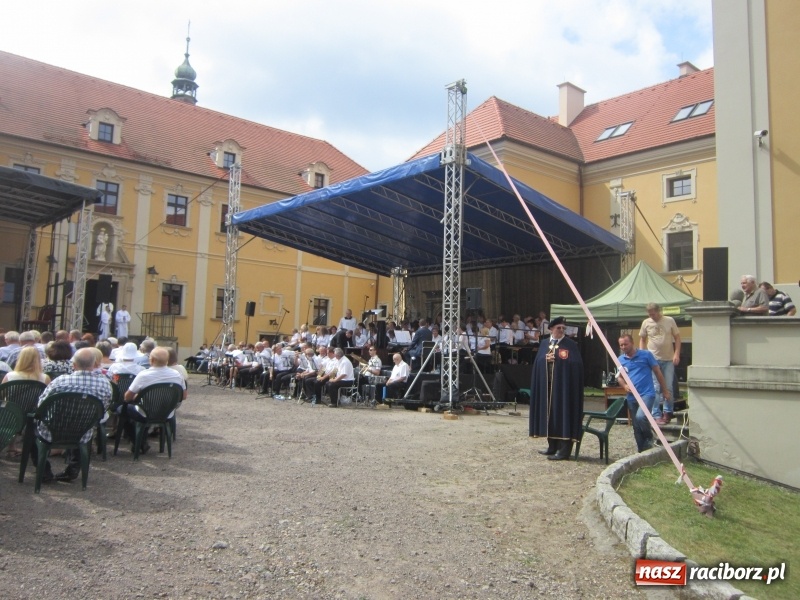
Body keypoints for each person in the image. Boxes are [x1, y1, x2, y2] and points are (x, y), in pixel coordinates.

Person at [34, 347, 113, 482]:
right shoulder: (104, 384)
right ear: (94, 364)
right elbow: (103, 409)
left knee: (32, 431)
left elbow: (41, 405)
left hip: (53, 430)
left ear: (74, 365)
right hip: (83, 431)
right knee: (82, 423)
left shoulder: (60, 381)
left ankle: (44, 472)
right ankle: (73, 467)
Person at [529, 316, 584, 461]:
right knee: (549, 415)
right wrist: (545, 360)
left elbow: (576, 364)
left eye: (563, 328)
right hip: (547, 387)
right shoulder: (544, 343)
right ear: (551, 329)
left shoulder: (570, 345)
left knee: (563, 415)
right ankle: (552, 446)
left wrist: (558, 361)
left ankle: (564, 450)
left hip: (563, 388)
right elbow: (537, 363)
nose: (561, 330)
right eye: (558, 328)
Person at [123, 347, 187, 454]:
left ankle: (138, 441)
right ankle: (142, 440)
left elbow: (127, 397)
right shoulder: (177, 375)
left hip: (145, 412)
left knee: (124, 410)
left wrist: (138, 396)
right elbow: (183, 396)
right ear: (167, 361)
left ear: (151, 360)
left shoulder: (143, 375)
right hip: (167, 412)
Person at [618, 334, 670, 453]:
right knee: (636, 426)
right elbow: (619, 377)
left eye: (625, 344)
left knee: (641, 417)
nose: (623, 347)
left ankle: (649, 436)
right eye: (621, 345)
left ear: (632, 343)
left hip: (646, 393)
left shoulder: (646, 355)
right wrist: (624, 385)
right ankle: (641, 451)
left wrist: (665, 391)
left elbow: (658, 372)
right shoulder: (621, 359)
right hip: (631, 396)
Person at [639, 302, 681, 425]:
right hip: (653, 359)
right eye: (650, 314)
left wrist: (676, 354)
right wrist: (643, 354)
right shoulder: (646, 323)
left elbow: (677, 337)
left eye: (654, 314)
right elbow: (642, 338)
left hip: (668, 358)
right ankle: (656, 413)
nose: (652, 316)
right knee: (656, 387)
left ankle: (667, 412)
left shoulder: (669, 320)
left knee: (668, 386)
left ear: (659, 311)